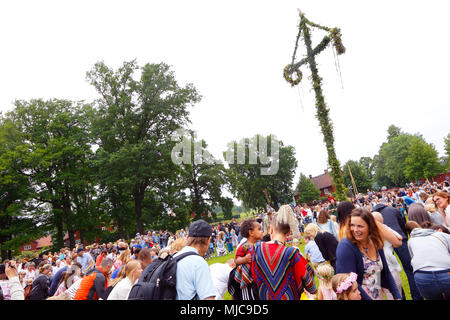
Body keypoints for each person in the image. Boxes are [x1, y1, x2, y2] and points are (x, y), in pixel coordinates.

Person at [251, 205, 317, 300]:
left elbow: (252, 276)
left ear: (271, 229)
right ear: (289, 232)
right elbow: (311, 285)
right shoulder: (292, 253)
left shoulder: (255, 249)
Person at [336, 208, 401, 300]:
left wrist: (397, 295)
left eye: (360, 226)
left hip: (377, 295)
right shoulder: (346, 247)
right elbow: (350, 281)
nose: (355, 230)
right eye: (352, 225)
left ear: (370, 226)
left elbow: (385, 272)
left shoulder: (375, 241)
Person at [372, 201, 422, 300]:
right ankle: (416, 296)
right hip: (398, 239)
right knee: (409, 269)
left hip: (386, 246)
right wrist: (405, 238)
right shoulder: (392, 210)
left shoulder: (372, 218)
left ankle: (400, 296)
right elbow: (402, 223)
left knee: (388, 273)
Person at [173, 219, 217, 300]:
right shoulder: (198, 263)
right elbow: (208, 298)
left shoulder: (174, 258)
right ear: (208, 240)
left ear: (187, 238)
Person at [406, 221, 450, 300]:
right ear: (439, 230)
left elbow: (413, 258)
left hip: (422, 276)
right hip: (446, 273)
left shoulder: (411, 241)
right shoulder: (442, 235)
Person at [371, 211, 404, 299]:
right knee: (393, 292)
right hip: (388, 265)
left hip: (375, 267)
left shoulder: (368, 232)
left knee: (378, 294)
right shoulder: (385, 229)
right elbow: (399, 238)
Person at [230, 219, 263, 300]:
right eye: (259, 229)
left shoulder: (261, 244)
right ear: (251, 232)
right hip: (247, 279)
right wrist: (244, 259)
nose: (262, 231)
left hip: (258, 277)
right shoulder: (245, 246)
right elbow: (236, 259)